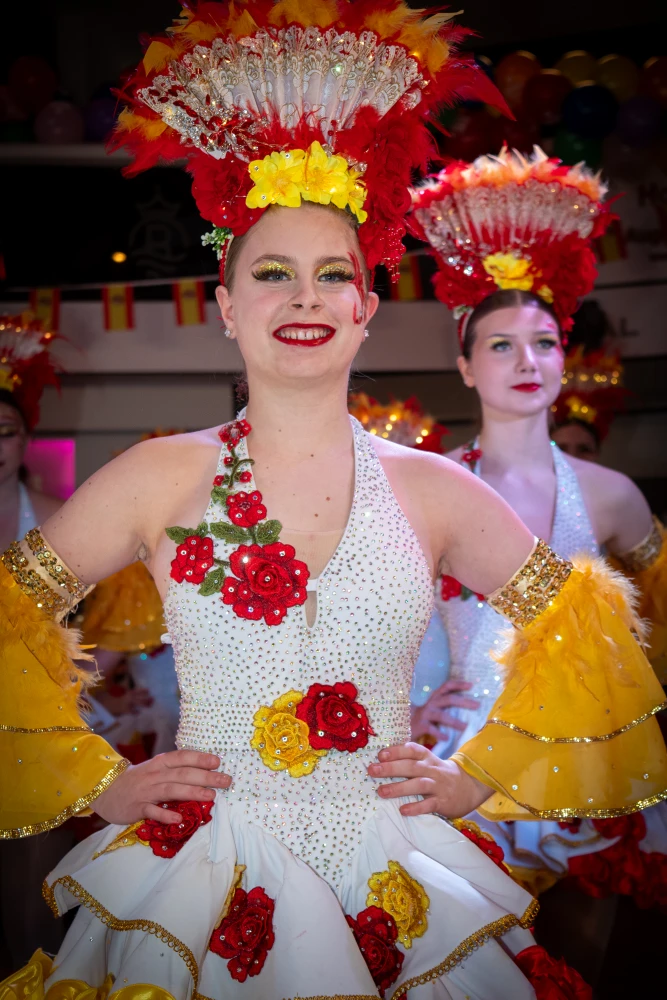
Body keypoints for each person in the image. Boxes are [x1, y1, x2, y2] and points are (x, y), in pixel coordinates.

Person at [1, 7, 665, 998]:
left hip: (390, 865)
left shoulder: (432, 485)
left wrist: (476, 775)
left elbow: (588, 624)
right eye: (272, 275)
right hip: (200, 868)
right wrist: (99, 779)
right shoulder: (157, 474)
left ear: (363, 310)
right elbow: (9, 608)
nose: (303, 298)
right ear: (227, 308)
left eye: (331, 277)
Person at [408, 147, 667, 921]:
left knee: (587, 955)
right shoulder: (422, 487)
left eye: (543, 342)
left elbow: (654, 627)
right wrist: (406, 707)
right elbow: (377, 615)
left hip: (583, 761)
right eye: (500, 345)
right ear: (464, 366)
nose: (527, 361)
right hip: (458, 758)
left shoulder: (611, 496)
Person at [0, 315, 74, 972]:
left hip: (38, 717)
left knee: (33, 876)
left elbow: (104, 622)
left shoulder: (58, 519)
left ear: (25, 438)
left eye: (5, 431)